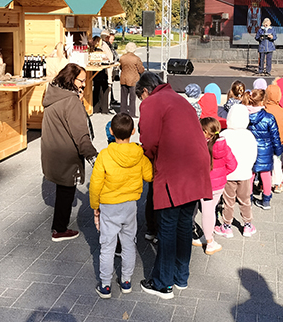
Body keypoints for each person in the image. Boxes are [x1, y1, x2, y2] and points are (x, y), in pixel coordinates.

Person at [136, 72, 211, 299]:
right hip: (197, 167)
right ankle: (181, 277)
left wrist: (147, 158)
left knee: (167, 227)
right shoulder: (179, 98)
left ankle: (163, 283)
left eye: (140, 97)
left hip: (175, 169)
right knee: (184, 225)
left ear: (146, 91)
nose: (141, 102)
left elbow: (148, 140)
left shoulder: (152, 102)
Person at [89, 113, 153, 298]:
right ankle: (126, 281)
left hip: (109, 207)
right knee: (128, 244)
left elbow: (95, 184)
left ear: (110, 131)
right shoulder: (139, 154)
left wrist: (95, 207)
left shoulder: (105, 155)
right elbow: (149, 176)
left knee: (107, 247)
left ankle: (106, 285)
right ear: (133, 131)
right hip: (130, 206)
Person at [41, 64, 97, 241]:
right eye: (81, 81)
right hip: (66, 154)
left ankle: (59, 226)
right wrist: (93, 156)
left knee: (63, 189)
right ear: (71, 79)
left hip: (52, 151)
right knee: (67, 190)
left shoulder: (54, 94)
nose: (83, 85)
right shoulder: (70, 101)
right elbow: (80, 134)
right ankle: (59, 229)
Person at [215, 104, 258, 238]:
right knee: (245, 200)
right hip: (245, 173)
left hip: (228, 174)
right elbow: (254, 154)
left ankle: (226, 226)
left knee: (228, 201)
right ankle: (247, 225)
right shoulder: (249, 135)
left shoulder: (224, 134)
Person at [196, 117, 236, 255]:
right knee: (211, 209)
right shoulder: (224, 146)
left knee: (207, 211)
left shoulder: (201, 147)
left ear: (205, 132)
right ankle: (207, 237)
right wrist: (223, 174)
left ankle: (209, 241)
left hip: (205, 184)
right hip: (219, 185)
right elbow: (233, 164)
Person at [244, 89, 283, 210]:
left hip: (250, 149)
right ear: (263, 101)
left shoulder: (245, 115)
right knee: (266, 174)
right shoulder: (269, 117)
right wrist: (278, 151)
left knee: (250, 174)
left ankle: (248, 198)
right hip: (266, 150)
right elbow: (275, 136)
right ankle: (266, 200)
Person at [264, 84, 283, 194]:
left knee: (264, 163)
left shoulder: (264, 109)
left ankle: (262, 183)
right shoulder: (281, 110)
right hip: (278, 141)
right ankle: (278, 183)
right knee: (277, 162)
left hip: (265, 142)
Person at [118, 42, 144, 117]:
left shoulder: (122, 57)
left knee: (123, 97)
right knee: (132, 98)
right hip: (133, 80)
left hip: (123, 79)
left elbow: (120, 67)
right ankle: (132, 113)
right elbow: (140, 70)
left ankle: (123, 112)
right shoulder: (136, 59)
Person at [90, 36, 113, 114]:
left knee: (96, 89)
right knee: (104, 90)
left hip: (94, 72)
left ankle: (96, 107)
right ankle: (104, 108)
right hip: (102, 72)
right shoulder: (101, 50)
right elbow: (108, 60)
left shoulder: (91, 50)